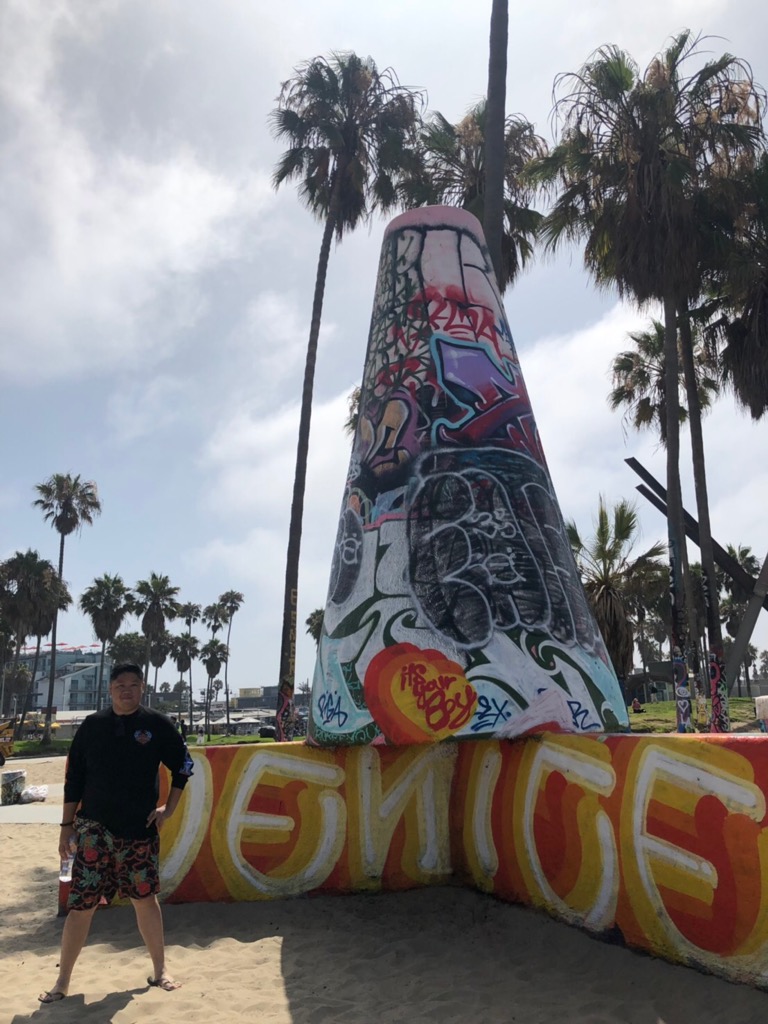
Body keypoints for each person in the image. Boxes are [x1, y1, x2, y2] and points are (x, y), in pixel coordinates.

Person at [39, 663, 194, 1004]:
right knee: (82, 905)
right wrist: (66, 828)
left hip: (139, 830)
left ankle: (160, 970)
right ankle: (62, 982)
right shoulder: (92, 726)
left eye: (134, 685)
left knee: (145, 899)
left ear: (142, 688)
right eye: (120, 685)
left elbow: (184, 766)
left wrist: (168, 809)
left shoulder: (157, 724)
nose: (127, 690)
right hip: (93, 830)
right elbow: (74, 779)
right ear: (110, 690)